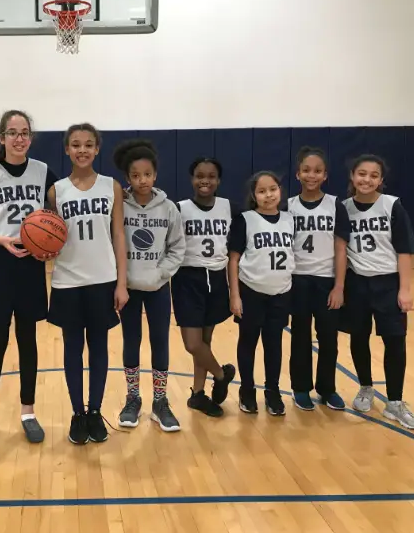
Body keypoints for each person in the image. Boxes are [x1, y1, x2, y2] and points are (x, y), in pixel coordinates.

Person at [0, 110, 59, 447]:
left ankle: (28, 412)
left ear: (31, 138)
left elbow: (57, 216)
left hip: (30, 264)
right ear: (1, 138)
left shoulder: (44, 172)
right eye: (12, 133)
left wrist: (49, 245)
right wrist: (0, 239)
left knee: (28, 340)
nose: (19, 138)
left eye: (25, 133)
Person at [47, 123, 129, 445]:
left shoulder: (112, 187)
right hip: (67, 280)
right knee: (72, 349)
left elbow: (119, 235)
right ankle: (77, 413)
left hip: (103, 279)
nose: (82, 150)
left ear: (97, 149)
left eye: (88, 144)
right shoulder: (56, 191)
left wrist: (121, 283)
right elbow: (50, 235)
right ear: (67, 149)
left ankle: (95, 412)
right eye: (76, 144)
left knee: (99, 348)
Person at [341, 154, 414, 429]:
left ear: (381, 180)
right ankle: (365, 387)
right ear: (352, 176)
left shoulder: (392, 206)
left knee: (395, 341)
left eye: (373, 175)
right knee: (359, 338)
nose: (367, 179)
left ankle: (395, 402)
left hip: (388, 284)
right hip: (357, 284)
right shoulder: (344, 208)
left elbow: (404, 250)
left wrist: (405, 289)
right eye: (362, 174)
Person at [112, 139, 185, 432]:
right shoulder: (120, 207)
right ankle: (133, 399)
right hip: (127, 287)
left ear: (155, 175)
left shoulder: (168, 208)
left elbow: (177, 248)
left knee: (160, 342)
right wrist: (121, 279)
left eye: (147, 174)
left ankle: (160, 401)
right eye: (135, 175)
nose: (142, 180)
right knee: (131, 341)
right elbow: (112, 244)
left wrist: (160, 274)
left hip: (157, 287)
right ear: (127, 178)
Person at [172, 157, 237, 418]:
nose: (205, 181)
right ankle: (221, 375)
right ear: (192, 179)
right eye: (200, 175)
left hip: (217, 277)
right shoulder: (180, 208)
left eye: (211, 176)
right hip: (188, 278)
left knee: (205, 341)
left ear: (218, 180)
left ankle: (197, 395)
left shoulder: (228, 207)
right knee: (192, 343)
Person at [288, 146, 350, 411]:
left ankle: (327, 388)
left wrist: (339, 286)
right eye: (306, 170)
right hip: (298, 280)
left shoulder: (335, 205)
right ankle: (300, 388)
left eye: (317, 171)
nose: (311, 175)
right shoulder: (287, 206)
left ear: (325, 175)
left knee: (328, 338)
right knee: (300, 336)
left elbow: (340, 248)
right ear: (297, 174)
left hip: (326, 281)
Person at [228, 171, 294, 416]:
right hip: (251, 291)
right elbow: (233, 259)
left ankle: (273, 391)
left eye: (273, 189)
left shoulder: (289, 219)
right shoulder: (245, 219)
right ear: (254, 196)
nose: (268, 195)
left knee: (274, 344)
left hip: (281, 292)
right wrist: (235, 295)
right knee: (248, 342)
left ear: (280, 190)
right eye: (262, 191)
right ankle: (247, 390)